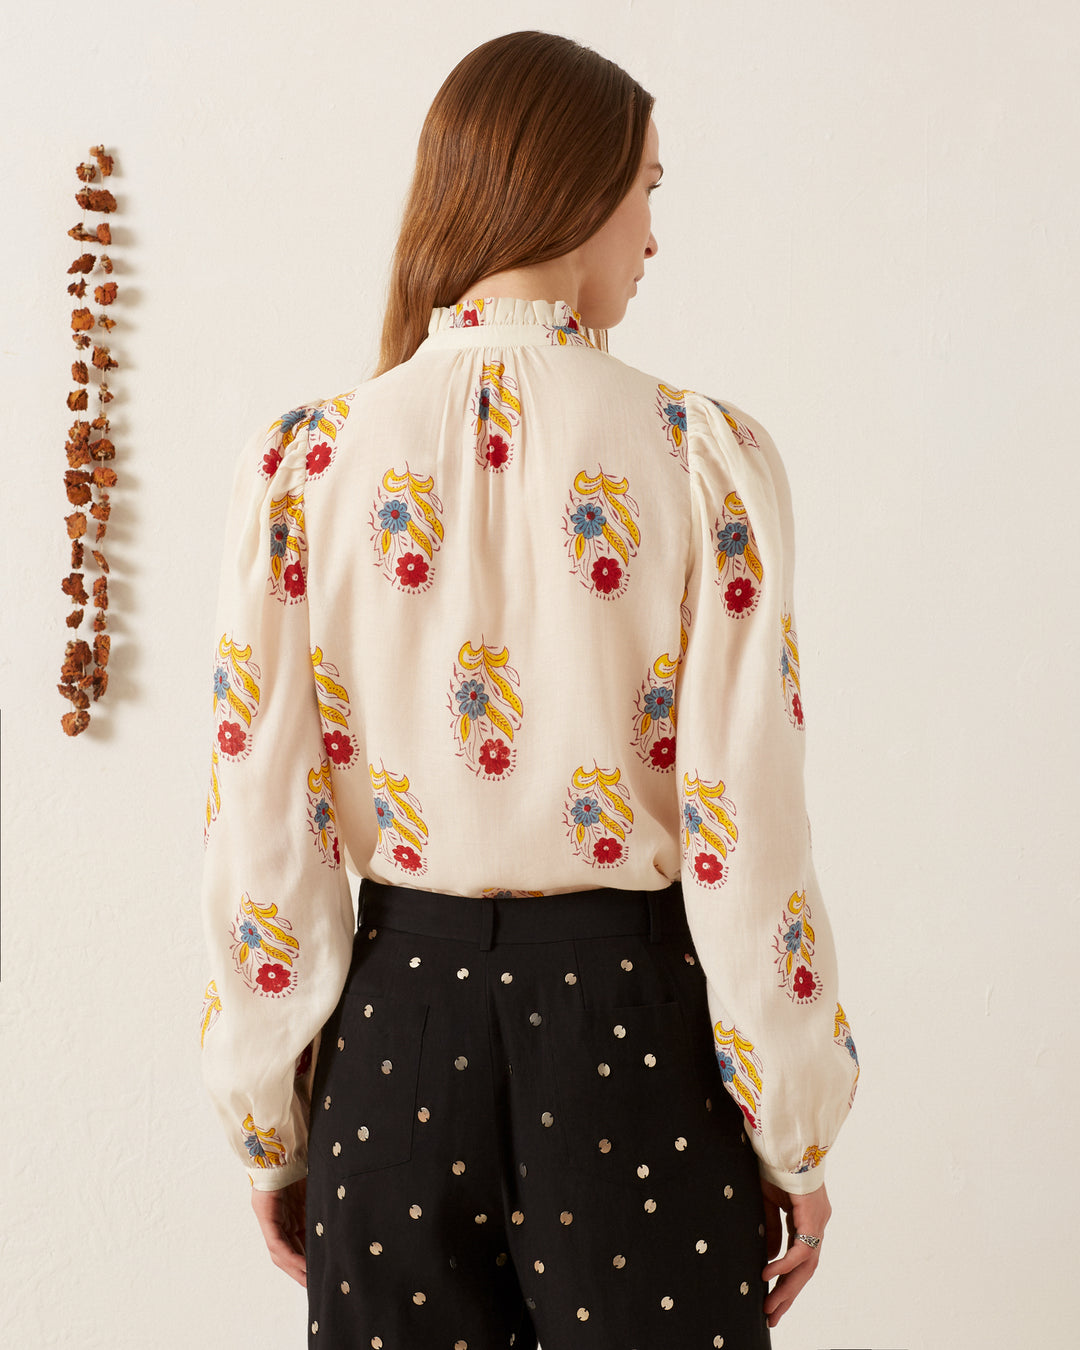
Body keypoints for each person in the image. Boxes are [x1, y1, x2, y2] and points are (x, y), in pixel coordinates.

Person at [199, 29, 859, 1350]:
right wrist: (793, 1127)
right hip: (630, 1037)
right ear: (575, 185)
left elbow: (264, 829)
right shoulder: (699, 456)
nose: (655, 237)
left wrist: (270, 1119)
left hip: (393, 1041)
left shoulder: (309, 463)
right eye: (651, 189)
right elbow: (748, 829)